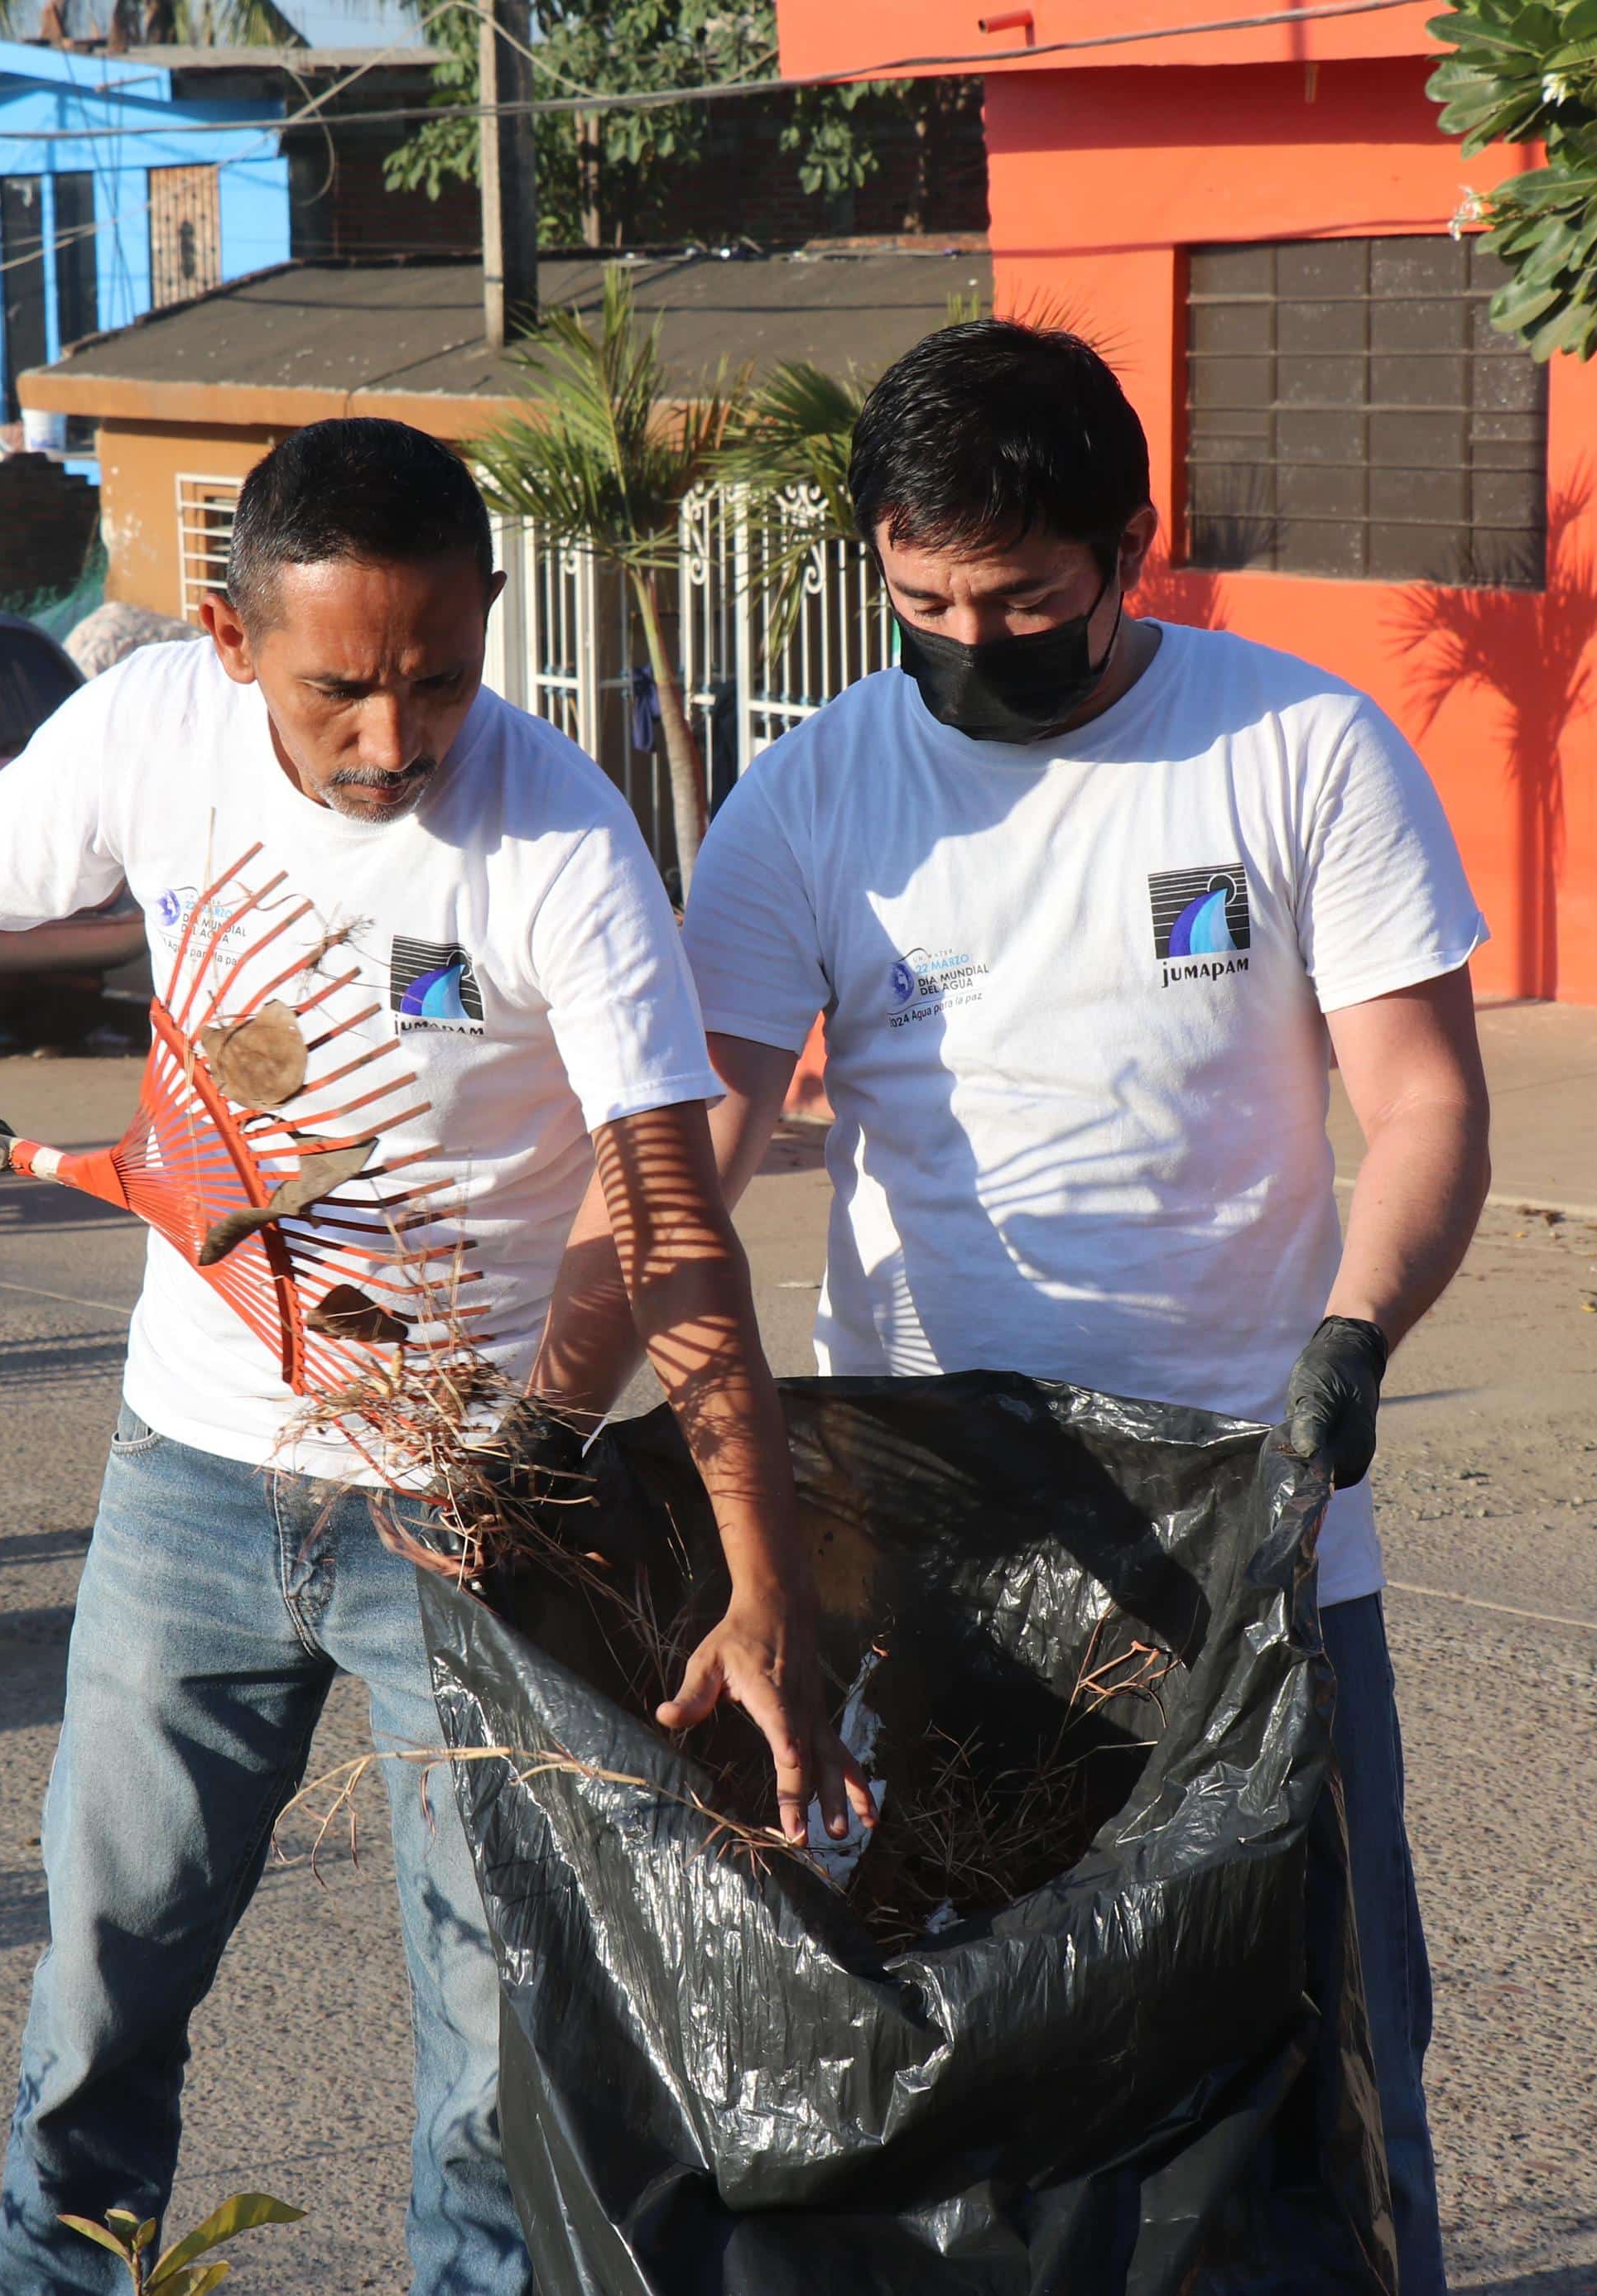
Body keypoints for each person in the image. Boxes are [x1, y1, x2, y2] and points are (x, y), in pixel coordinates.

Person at [0, 418, 863, 2296]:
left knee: (494, 2047)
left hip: (476, 1512)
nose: (396, 741)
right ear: (233, 644)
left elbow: (672, 1227)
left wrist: (759, 1569)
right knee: (101, 1980)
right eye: (341, 693)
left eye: (438, 680)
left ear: (482, 625)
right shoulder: (150, 732)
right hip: (193, 1485)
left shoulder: (559, 843)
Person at [536, 320, 1490, 2293]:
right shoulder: (809, 802)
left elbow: (1423, 1104)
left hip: (1257, 1515)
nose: (971, 639)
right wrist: (538, 1428)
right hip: (932, 1546)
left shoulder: (1298, 752)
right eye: (922, 601)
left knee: (1325, 2025)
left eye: (1025, 598)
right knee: (971, 2040)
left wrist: (1356, 1337)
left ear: (1132, 543)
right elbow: (678, 1165)